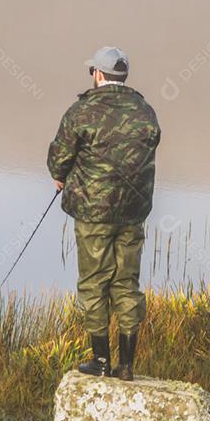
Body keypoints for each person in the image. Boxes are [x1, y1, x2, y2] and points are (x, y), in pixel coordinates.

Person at [47, 47, 161, 381]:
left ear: (98, 74)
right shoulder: (145, 110)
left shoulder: (82, 111)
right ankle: (125, 366)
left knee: (94, 284)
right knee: (127, 284)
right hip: (133, 212)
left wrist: (60, 176)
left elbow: (60, 156)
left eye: (92, 72)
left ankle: (99, 361)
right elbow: (150, 146)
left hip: (93, 213)